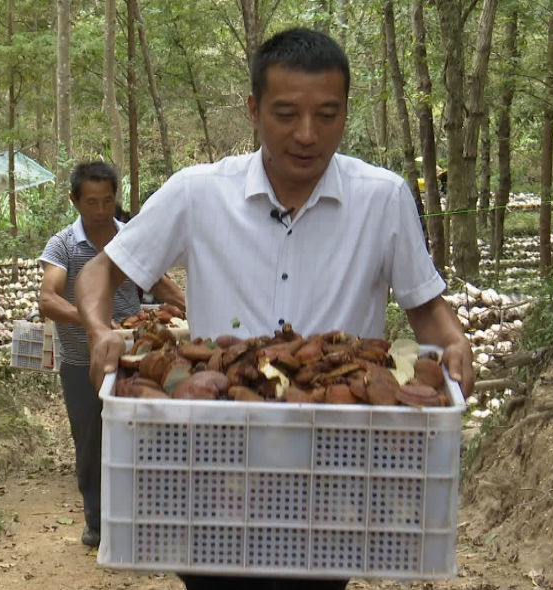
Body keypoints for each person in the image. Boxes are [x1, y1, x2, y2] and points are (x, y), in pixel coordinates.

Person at [73, 27, 473, 590]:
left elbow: (426, 307)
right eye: (286, 114)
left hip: (334, 469)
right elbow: (100, 270)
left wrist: (454, 341)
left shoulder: (381, 198)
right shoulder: (198, 192)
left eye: (327, 115)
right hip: (213, 462)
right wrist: (98, 329)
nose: (307, 134)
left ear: (345, 111)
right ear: (254, 109)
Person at [37, 161, 185, 548]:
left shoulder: (130, 235)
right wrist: (93, 323)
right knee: (91, 440)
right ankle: (98, 523)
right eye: (91, 202)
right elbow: (48, 299)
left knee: (146, 436)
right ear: (74, 200)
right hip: (82, 360)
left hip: (136, 357)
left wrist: (190, 304)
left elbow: (158, 281)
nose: (101, 210)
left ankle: (145, 518)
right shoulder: (64, 245)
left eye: (107, 201)